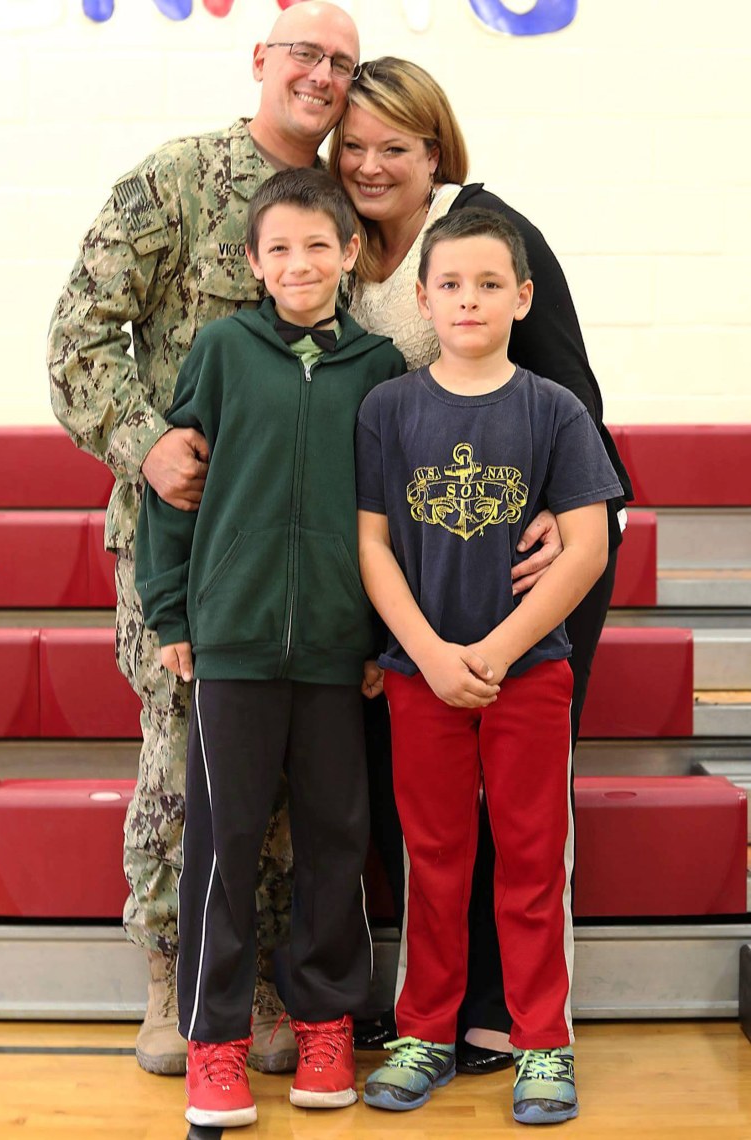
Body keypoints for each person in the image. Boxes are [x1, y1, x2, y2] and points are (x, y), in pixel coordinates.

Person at [47, 1, 362, 1078]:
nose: (322, 75)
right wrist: (148, 444)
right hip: (184, 541)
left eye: (341, 63)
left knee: (283, 776)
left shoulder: (344, 208)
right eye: (305, 54)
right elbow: (76, 336)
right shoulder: (175, 179)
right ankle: (171, 979)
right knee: (188, 758)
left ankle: (261, 980)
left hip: (306, 555)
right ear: (262, 61)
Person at [329, 55, 632, 1072]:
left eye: (396, 147)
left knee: (520, 817)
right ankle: (427, 1010)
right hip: (413, 559)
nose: (372, 165)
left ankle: (511, 1017)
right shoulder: (343, 247)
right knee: (416, 811)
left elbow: (568, 382)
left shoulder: (486, 228)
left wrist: (560, 506)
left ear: (434, 149)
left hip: (525, 547)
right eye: (355, 145)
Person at [135, 166, 406, 1129]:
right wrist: (172, 613)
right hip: (233, 645)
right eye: (279, 248)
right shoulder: (221, 350)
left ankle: (327, 1022)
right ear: (253, 262)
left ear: (349, 256)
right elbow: (172, 485)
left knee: (338, 840)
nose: (299, 263)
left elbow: (395, 519)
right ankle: (215, 1044)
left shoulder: (378, 371)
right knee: (224, 843)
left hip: (339, 650)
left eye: (318, 246)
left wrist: (383, 635)